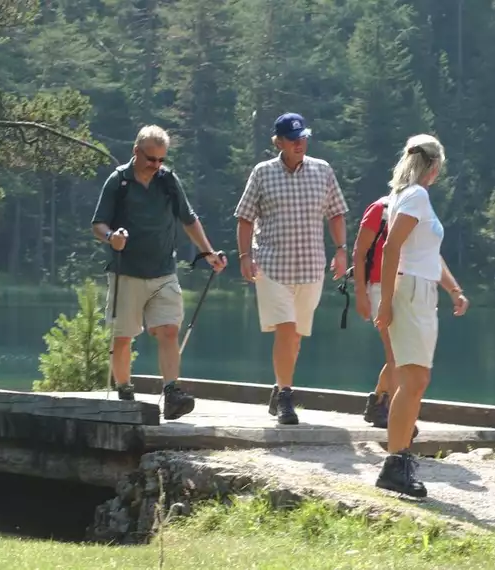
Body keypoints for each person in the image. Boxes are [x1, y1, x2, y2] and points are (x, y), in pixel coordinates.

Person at [91, 125, 227, 420]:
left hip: (164, 271)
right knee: (123, 336)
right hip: (126, 272)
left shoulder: (168, 181)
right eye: (151, 159)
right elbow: (98, 224)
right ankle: (125, 390)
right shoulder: (118, 182)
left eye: (161, 160)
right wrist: (112, 236)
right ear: (135, 151)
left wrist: (208, 252)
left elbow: (189, 219)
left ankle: (171, 393)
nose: (156, 165)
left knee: (168, 330)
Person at [234, 112, 349, 426]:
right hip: (272, 265)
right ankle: (286, 396)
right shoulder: (263, 173)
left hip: (310, 267)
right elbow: (244, 218)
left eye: (303, 137)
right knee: (285, 329)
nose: (300, 143)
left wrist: (341, 251)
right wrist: (245, 256)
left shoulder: (322, 171)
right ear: (279, 142)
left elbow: (336, 213)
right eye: (293, 139)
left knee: (295, 336)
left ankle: (278, 386)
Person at [374, 134, 470, 498]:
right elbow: (391, 247)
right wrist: (385, 301)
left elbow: (427, 253)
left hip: (420, 287)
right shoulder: (416, 196)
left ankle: (397, 461)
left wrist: (453, 289)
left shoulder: (407, 197)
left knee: (414, 379)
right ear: (434, 166)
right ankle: (396, 463)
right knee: (413, 380)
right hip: (411, 290)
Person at [352, 195, 396, 428]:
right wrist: (361, 293)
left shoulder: (418, 208)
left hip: (408, 287)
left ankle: (379, 400)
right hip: (379, 287)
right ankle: (390, 410)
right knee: (396, 353)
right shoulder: (380, 208)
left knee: (402, 354)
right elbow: (359, 253)